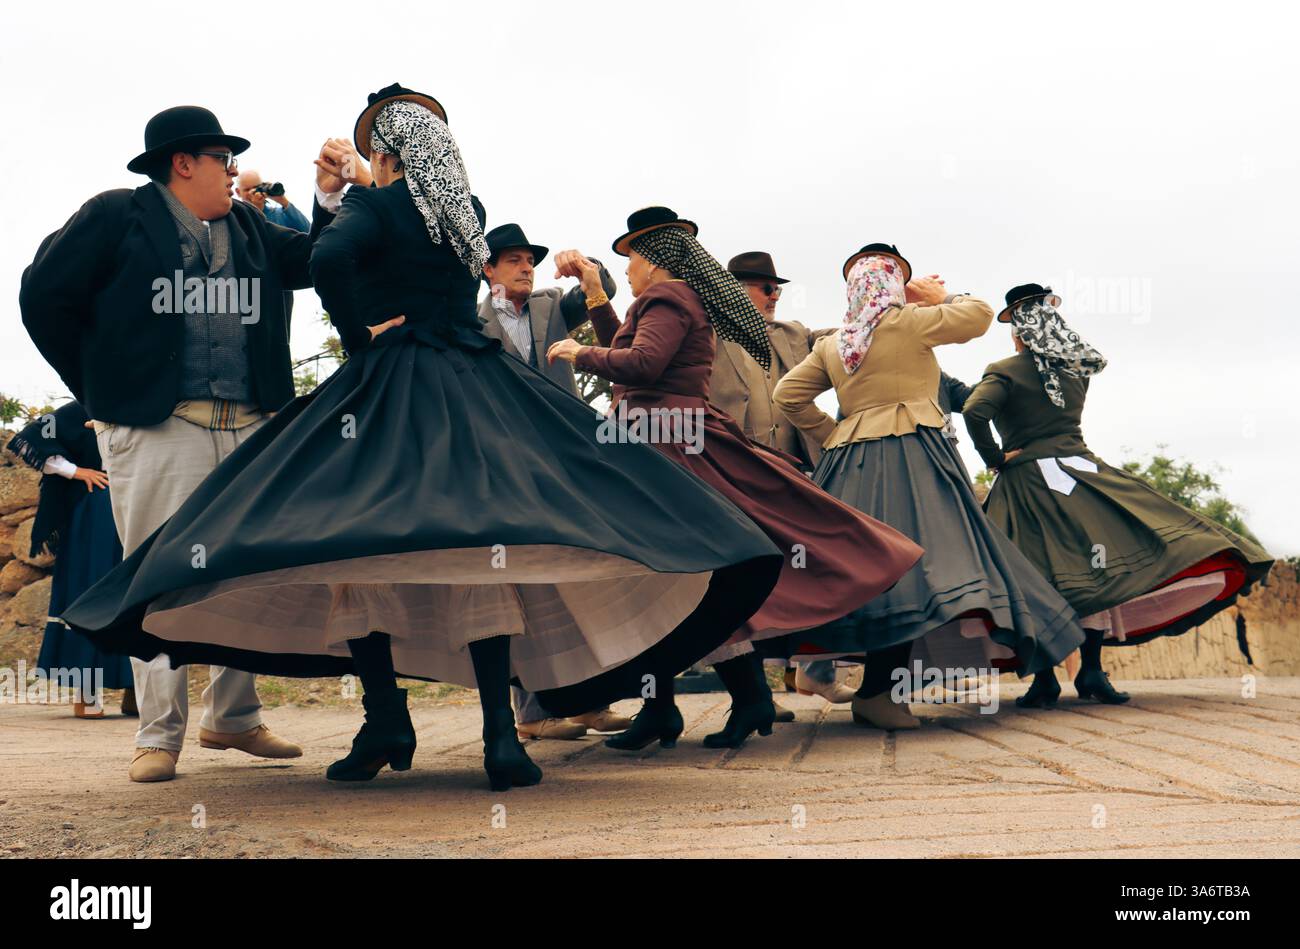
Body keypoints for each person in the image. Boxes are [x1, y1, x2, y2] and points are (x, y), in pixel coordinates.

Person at [63, 86, 785, 793]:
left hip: (391, 386)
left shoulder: (375, 204)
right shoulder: (465, 209)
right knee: (483, 542)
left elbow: (325, 261)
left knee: (358, 540)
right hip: (476, 387)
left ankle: (384, 719)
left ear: (384, 154)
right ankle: (500, 736)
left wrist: (360, 332)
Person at [20, 104, 342, 782]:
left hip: (249, 423)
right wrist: (101, 391)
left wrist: (329, 199)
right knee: (154, 574)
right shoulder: (116, 217)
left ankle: (233, 716)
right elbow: (42, 294)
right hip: (158, 429)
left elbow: (320, 262)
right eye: (222, 159)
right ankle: (158, 733)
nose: (233, 172)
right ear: (182, 163)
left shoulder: (251, 226)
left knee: (248, 570)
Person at [547, 208, 923, 750]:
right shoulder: (669, 299)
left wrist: (579, 351)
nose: (625, 270)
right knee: (669, 578)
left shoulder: (668, 298)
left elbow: (644, 367)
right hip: (662, 439)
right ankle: (694, 707)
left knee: (681, 576)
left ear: (652, 259)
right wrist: (595, 295)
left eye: (629, 260)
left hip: (668, 445)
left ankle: (726, 702)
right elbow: (632, 352)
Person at [771, 246, 1086, 729]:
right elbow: (979, 317)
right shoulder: (905, 323)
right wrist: (940, 294)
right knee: (923, 567)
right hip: (915, 455)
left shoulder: (835, 343)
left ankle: (871, 688)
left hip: (849, 460)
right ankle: (881, 694)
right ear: (894, 287)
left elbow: (786, 395)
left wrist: (835, 432)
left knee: (869, 568)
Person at [962, 283, 1274, 707]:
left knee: (1033, 577)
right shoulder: (1075, 370)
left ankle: (1044, 681)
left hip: (1029, 484)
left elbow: (975, 411)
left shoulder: (1007, 369)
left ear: (1018, 330)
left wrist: (995, 458)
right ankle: (1091, 671)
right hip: (1084, 475)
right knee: (1096, 570)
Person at [476, 222, 632, 741]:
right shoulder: (470, 321)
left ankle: (590, 702)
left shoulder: (548, 305)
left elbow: (603, 288)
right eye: (514, 260)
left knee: (577, 574)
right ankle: (533, 713)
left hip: (562, 458)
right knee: (521, 582)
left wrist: (587, 265)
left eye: (531, 260)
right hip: (505, 468)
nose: (526, 268)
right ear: (487, 269)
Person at [710, 251, 850, 708]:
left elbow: (845, 337)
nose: (775, 296)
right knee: (746, 581)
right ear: (736, 288)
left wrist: (887, 312)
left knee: (812, 569)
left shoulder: (793, 335)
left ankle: (815, 671)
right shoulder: (705, 333)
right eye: (766, 288)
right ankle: (755, 695)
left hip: (794, 473)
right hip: (734, 474)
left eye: (778, 289)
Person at [7, 402, 135, 718]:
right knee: (90, 587)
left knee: (137, 592)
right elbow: (30, 437)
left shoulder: (148, 405)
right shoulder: (84, 406)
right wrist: (75, 471)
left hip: (140, 500)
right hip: (96, 511)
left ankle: (137, 690)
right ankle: (87, 692)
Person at [236, 169, 310, 232]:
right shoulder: (236, 219)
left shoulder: (279, 214)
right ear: (238, 192)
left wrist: (284, 202)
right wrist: (257, 212)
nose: (252, 192)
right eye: (247, 189)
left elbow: (308, 230)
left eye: (256, 188)